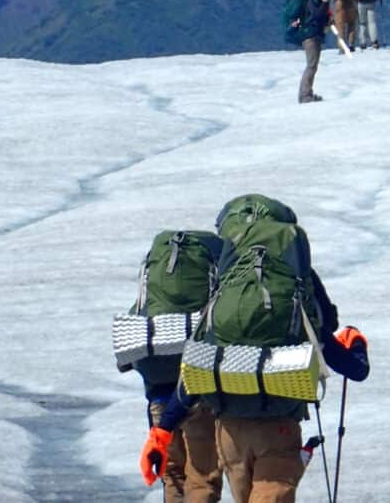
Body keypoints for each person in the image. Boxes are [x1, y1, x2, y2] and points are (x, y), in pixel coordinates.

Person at [140, 196, 371, 503]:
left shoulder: (226, 284)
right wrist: (356, 348)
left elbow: (197, 362)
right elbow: (341, 352)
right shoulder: (293, 284)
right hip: (277, 429)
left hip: (229, 432)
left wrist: (164, 428)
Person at [118, 230, 226, 503]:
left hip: (158, 395)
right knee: (203, 477)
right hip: (198, 394)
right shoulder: (213, 295)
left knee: (173, 474)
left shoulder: (149, 299)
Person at [283, 0, 329, 103]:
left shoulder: (316, 1)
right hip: (310, 37)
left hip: (313, 36)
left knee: (313, 66)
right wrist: (325, 3)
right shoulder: (312, 1)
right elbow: (316, 16)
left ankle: (307, 93)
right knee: (311, 66)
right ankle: (304, 95)